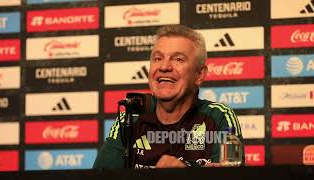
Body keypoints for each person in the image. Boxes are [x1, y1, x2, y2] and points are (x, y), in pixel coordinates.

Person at [93, 24, 244, 169]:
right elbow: (100, 176)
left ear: (199, 74)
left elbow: (233, 171)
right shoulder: (131, 117)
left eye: (178, 59)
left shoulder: (219, 116)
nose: (164, 67)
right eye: (157, 58)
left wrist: (185, 171)